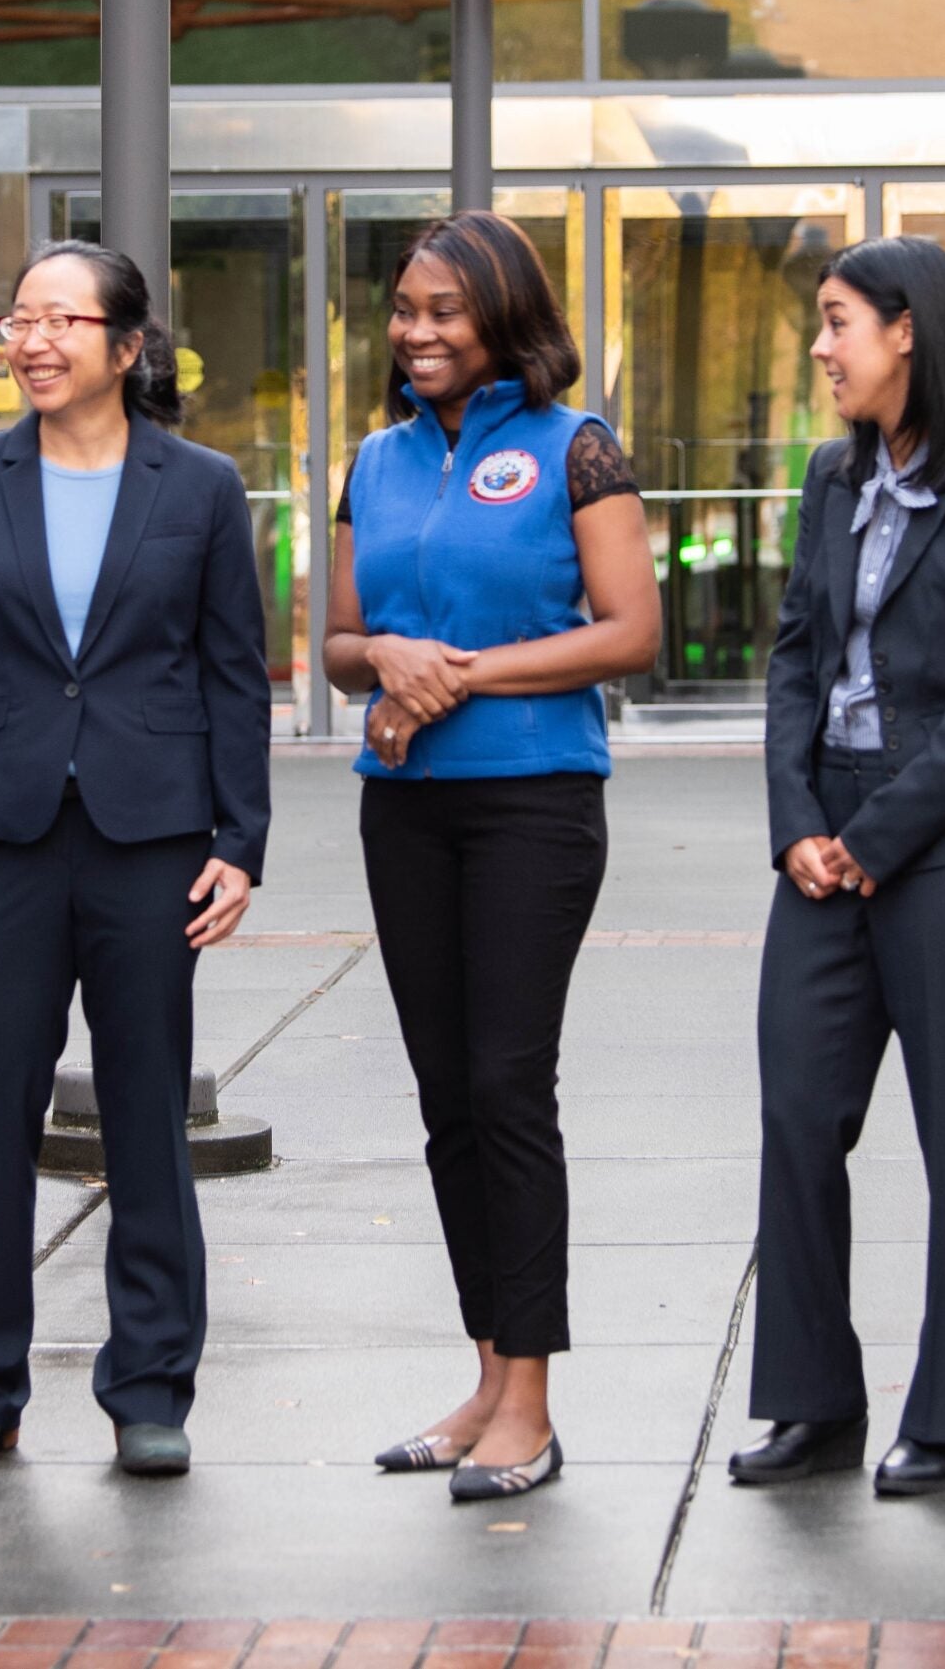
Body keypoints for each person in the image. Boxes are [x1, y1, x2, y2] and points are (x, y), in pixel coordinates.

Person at [0, 239, 271, 1479]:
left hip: (150, 838)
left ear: (126, 344)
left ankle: (150, 1384)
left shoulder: (201, 486)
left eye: (61, 319)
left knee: (147, 1112)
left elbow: (232, 675)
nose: (32, 340)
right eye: (19, 318)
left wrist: (239, 840)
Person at [322, 210, 660, 1503]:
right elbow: (342, 642)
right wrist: (387, 662)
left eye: (445, 310)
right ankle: (483, 1376)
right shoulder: (378, 459)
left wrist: (455, 674)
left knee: (510, 1087)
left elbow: (631, 631)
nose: (417, 331)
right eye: (405, 308)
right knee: (446, 1098)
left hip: (533, 804)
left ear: (503, 316)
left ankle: (534, 1399)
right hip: (403, 805)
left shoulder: (576, 449)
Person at [730, 235, 945, 1501]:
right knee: (796, 1116)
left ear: (906, 330)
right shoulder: (830, 475)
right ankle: (813, 1401)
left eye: (835, 325)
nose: (820, 350)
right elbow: (794, 657)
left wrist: (874, 843)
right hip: (825, 842)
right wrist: (797, 823)